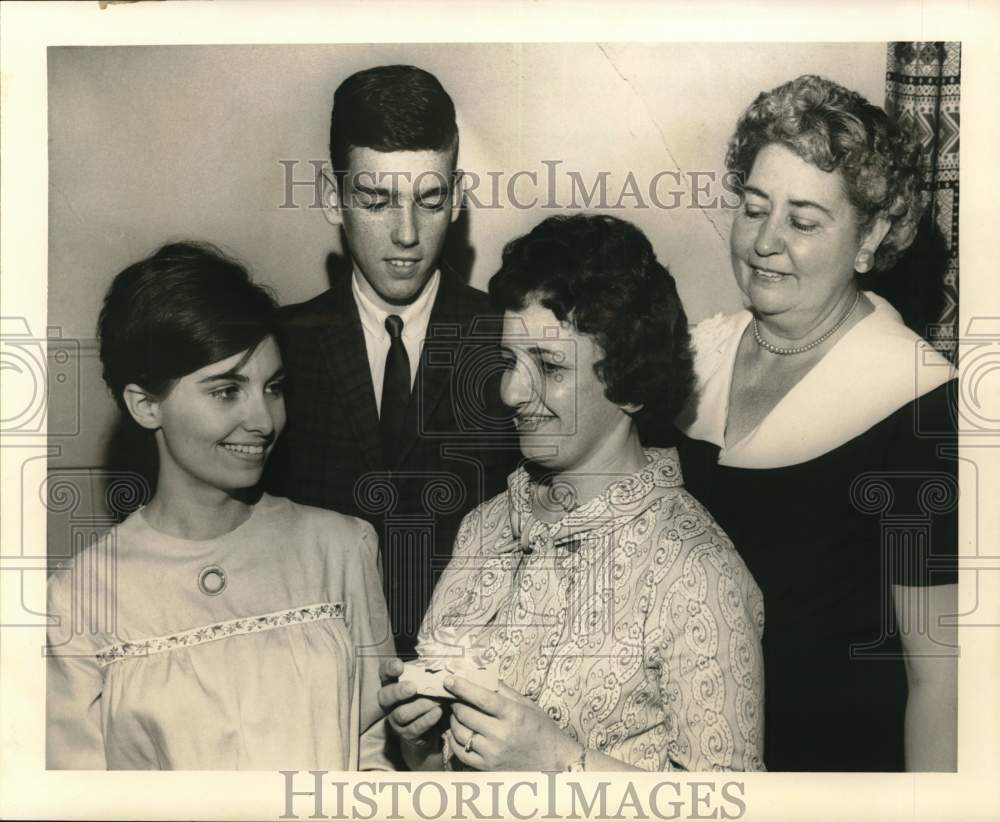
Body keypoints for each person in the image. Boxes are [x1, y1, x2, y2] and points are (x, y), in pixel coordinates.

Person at [377, 214, 766, 772]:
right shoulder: (485, 527)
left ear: (629, 383)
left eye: (549, 365)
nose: (511, 391)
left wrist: (559, 762)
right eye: (510, 361)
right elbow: (441, 777)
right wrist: (420, 744)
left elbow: (734, 806)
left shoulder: (698, 571)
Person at [675, 75, 958, 771]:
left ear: (872, 236)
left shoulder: (921, 403)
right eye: (754, 208)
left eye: (802, 222)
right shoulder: (692, 357)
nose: (765, 242)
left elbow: (942, 682)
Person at [46, 242, 393, 770]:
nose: (264, 421)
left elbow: (376, 759)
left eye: (273, 388)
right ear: (146, 405)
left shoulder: (342, 548)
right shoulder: (79, 600)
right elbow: (75, 796)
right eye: (227, 391)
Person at [266, 65, 517, 658]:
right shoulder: (279, 349)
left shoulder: (509, 339)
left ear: (457, 198)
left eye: (429, 200)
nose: (407, 234)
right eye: (376, 200)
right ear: (333, 198)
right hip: (314, 673)